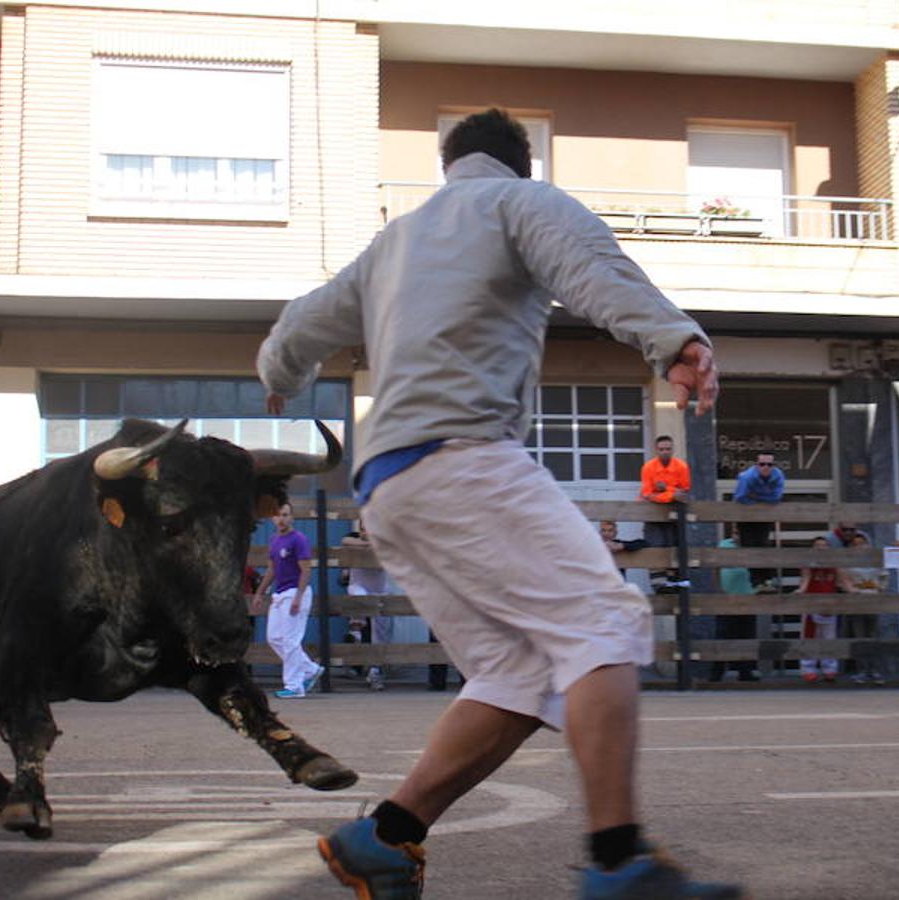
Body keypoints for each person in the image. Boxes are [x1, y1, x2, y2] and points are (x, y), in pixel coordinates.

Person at [256, 109, 737, 899]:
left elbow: (305, 321)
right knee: (605, 621)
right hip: (461, 455)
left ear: (448, 162)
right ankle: (621, 864)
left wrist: (280, 372)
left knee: (517, 672)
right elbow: (591, 267)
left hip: (387, 486)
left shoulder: (392, 243)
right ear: (522, 161)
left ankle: (386, 837)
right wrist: (673, 341)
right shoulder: (520, 202)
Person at [253, 502, 324, 699]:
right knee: (274, 638)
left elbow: (306, 570)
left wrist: (298, 597)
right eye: (277, 516)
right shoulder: (274, 540)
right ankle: (309, 669)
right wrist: (260, 593)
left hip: (295, 592)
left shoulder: (299, 540)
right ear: (272, 519)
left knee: (290, 640)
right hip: (279, 593)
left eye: (285, 515)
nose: (281, 519)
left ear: (292, 517)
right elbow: (272, 569)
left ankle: (294, 686)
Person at [341, 521, 393, 691]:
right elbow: (345, 541)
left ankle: (375, 671)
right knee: (359, 596)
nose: (365, 531)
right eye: (362, 528)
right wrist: (366, 543)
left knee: (380, 633)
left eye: (368, 528)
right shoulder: (355, 540)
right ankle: (356, 629)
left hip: (379, 592)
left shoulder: (384, 543)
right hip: (359, 587)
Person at [640, 435, 691, 593]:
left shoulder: (681, 467)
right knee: (655, 545)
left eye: (668, 449)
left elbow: (684, 493)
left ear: (673, 449)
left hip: (674, 515)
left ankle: (674, 583)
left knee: (673, 545)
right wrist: (672, 493)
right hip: (653, 514)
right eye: (661, 449)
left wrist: (664, 490)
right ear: (656, 450)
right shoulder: (648, 467)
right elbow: (647, 495)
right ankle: (659, 585)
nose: (665, 452)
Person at [709, 525, 758, 684]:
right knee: (722, 635)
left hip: (747, 598)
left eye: (740, 533)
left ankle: (745, 672)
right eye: (735, 532)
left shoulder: (752, 547)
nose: (736, 536)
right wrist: (717, 588)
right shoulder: (724, 545)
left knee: (746, 635)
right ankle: (716, 673)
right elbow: (715, 568)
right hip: (726, 598)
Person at [839, 531, 886, 685]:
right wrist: (852, 590)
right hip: (856, 602)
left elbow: (884, 577)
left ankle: (876, 670)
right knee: (859, 636)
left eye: (862, 543)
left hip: (873, 600)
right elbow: (843, 581)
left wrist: (879, 589)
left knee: (874, 636)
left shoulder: (875, 561)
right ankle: (862, 670)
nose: (859, 546)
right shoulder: (847, 563)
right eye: (856, 544)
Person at [733, 452, 784, 591]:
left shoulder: (778, 475)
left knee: (763, 544)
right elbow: (740, 498)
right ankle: (757, 582)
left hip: (763, 515)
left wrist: (756, 496)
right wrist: (764, 498)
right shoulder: (747, 477)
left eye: (769, 464)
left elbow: (776, 498)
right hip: (745, 515)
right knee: (749, 546)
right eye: (762, 464)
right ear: (756, 465)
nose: (766, 467)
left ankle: (768, 580)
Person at [798, 535, 840, 683]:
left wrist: (854, 591)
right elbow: (805, 580)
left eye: (824, 545)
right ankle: (808, 669)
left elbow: (843, 581)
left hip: (830, 604)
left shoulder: (835, 564)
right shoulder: (808, 564)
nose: (821, 548)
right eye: (817, 545)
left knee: (829, 637)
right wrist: (800, 592)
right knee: (810, 636)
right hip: (811, 603)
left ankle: (830, 668)